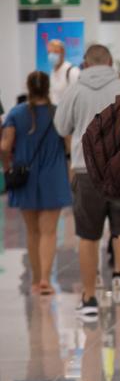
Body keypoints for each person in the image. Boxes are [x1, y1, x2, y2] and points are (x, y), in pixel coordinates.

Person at [53, 44, 120, 318]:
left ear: (85, 64)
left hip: (86, 171)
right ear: (111, 62)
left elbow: (61, 127)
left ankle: (89, 299)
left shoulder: (73, 91)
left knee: (88, 236)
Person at [1, 71, 71, 298]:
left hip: (26, 176)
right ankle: (45, 280)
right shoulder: (57, 113)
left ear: (28, 87)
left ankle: (34, 278)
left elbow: (4, 146)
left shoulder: (16, 113)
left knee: (31, 232)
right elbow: (69, 146)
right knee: (49, 232)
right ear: (47, 87)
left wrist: (7, 166)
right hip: (54, 176)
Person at [47, 39, 80, 106]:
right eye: (49, 52)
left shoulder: (72, 71)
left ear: (63, 53)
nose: (51, 55)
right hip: (54, 113)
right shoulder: (52, 72)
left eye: (55, 52)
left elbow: (78, 98)